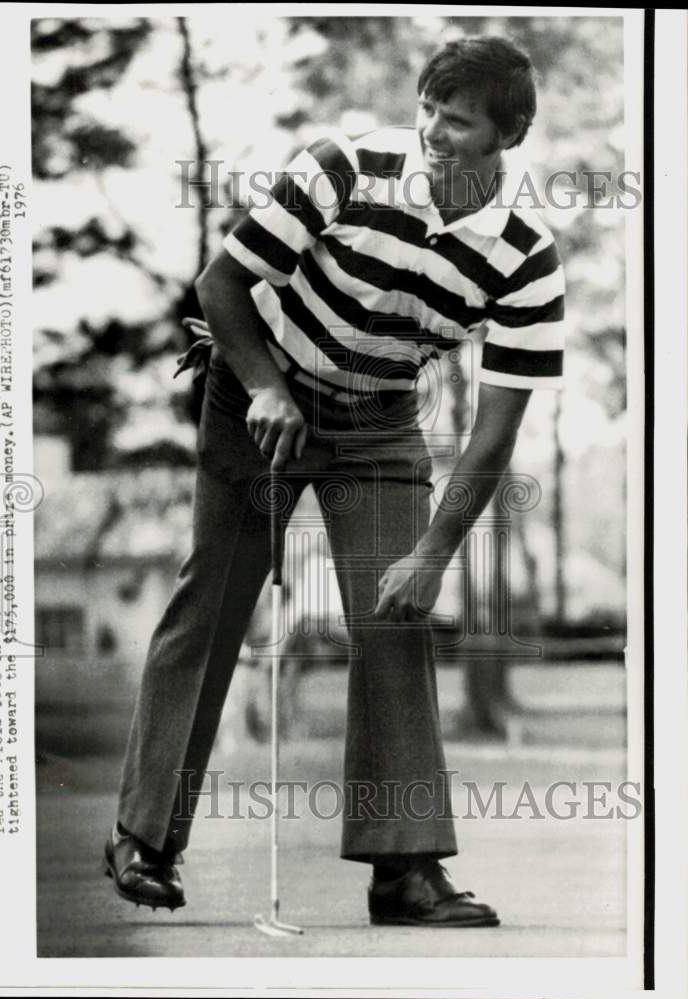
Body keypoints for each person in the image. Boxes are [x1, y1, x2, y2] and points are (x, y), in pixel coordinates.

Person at [104, 35, 565, 928]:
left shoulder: (525, 256)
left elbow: (496, 427)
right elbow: (221, 283)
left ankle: (405, 872)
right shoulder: (342, 168)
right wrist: (269, 388)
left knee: (395, 616)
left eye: (458, 120)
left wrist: (434, 556)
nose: (432, 130)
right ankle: (144, 840)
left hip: (378, 421)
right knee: (216, 602)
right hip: (256, 388)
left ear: (509, 133)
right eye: (427, 106)